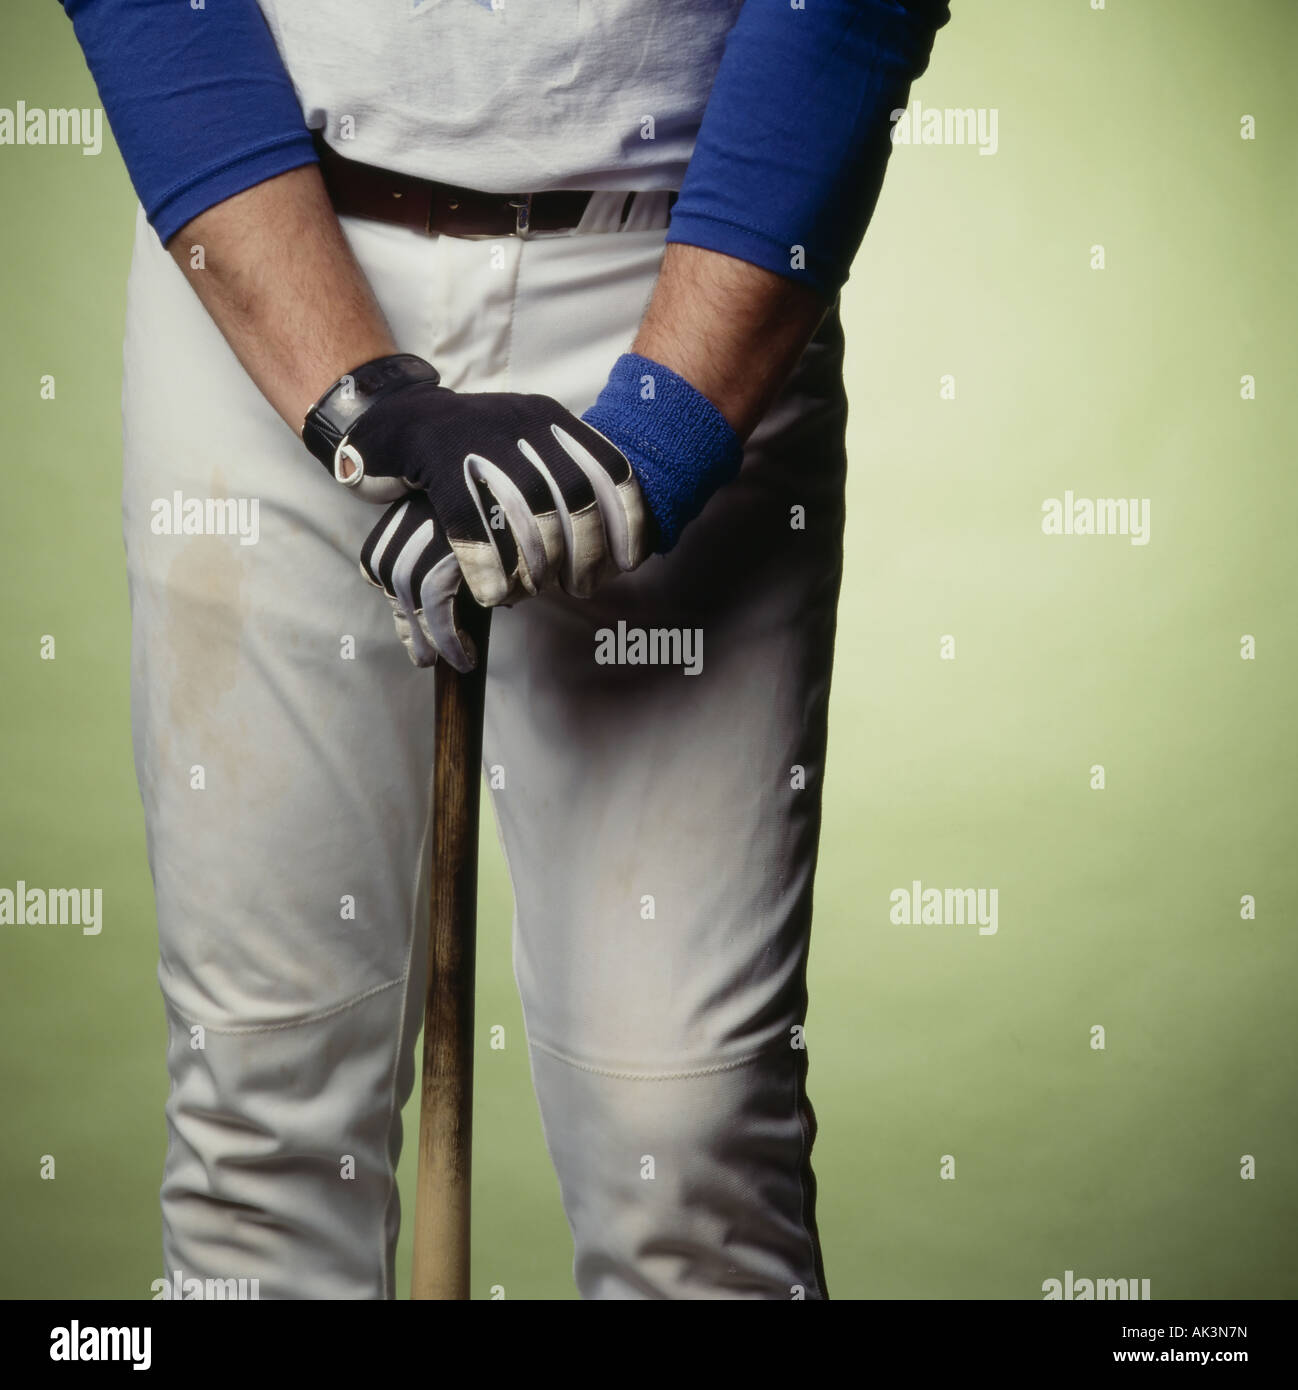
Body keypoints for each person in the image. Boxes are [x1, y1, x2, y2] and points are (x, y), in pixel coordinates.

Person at [61, 0, 950, 1299]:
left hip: (689, 269)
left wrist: (660, 441)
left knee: (683, 1133)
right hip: (276, 256)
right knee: (263, 1102)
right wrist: (364, 397)